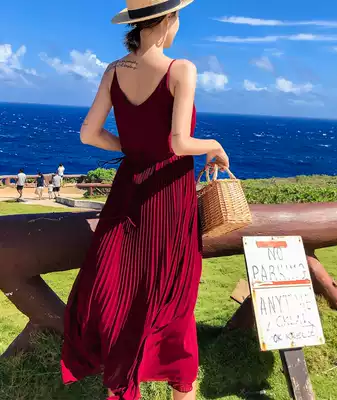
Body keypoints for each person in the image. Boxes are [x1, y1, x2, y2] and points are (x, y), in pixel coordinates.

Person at [60, 1, 229, 399]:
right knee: (173, 296)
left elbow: (89, 134)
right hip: (167, 194)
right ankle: (177, 382)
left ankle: (122, 381)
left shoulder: (113, 70)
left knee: (123, 291)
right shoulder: (181, 69)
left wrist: (133, 146)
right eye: (178, 18)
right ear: (168, 20)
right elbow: (179, 143)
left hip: (127, 190)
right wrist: (214, 145)